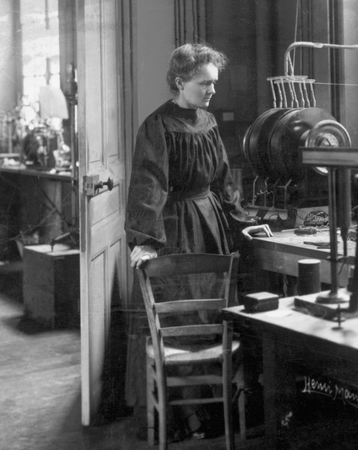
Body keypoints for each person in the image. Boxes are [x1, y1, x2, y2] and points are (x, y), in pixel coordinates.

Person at [124, 43, 271, 441]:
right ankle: (183, 417)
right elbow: (148, 184)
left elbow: (223, 179)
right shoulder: (157, 125)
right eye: (204, 83)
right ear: (179, 81)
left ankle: (211, 417)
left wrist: (244, 222)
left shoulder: (207, 121)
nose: (211, 91)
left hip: (211, 225)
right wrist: (147, 240)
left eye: (214, 83)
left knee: (213, 317)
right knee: (181, 319)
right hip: (175, 230)